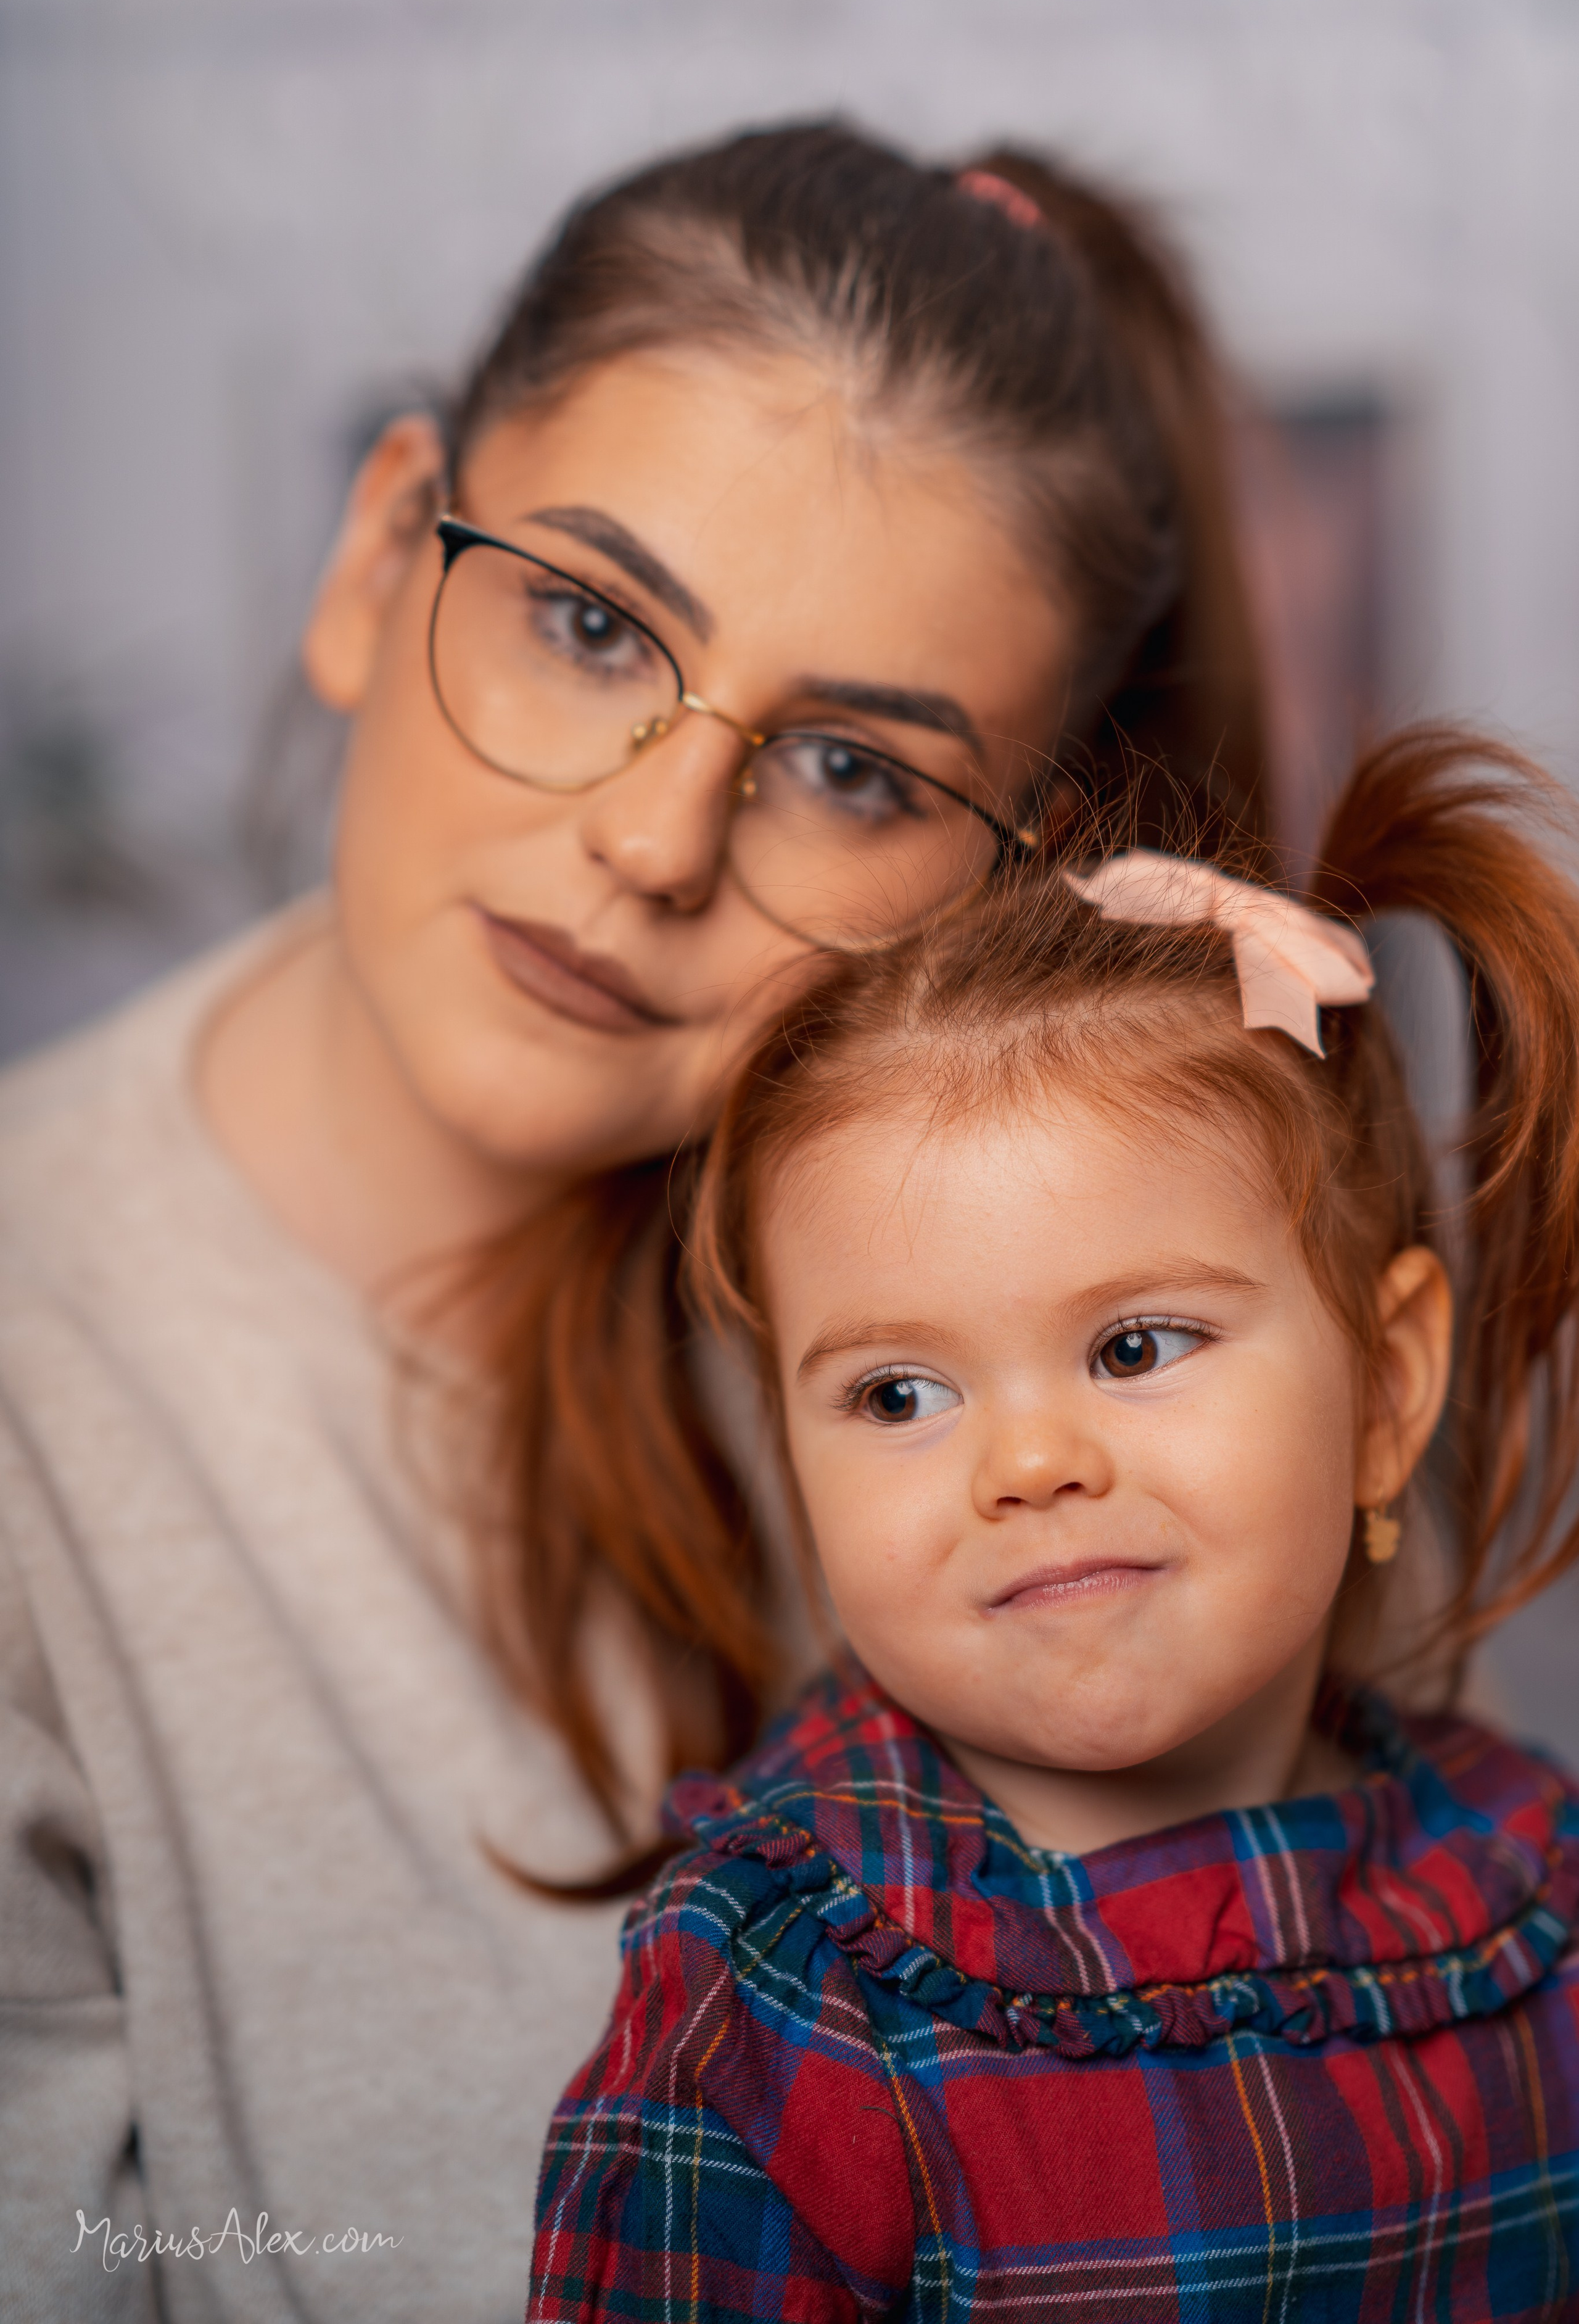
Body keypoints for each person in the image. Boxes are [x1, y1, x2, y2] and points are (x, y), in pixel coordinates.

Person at [0, 121, 1271, 2322]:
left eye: (857, 770)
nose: (657, 842)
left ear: (1005, 873)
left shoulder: (1145, 1362)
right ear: (382, 555)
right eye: (590, 623)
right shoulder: (44, 1422)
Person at [530, 729, 1579, 2320]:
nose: (1026, 1465)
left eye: (1135, 1348)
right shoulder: (787, 1989)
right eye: (897, 1396)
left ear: (1385, 1389)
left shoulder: (1531, 1888)